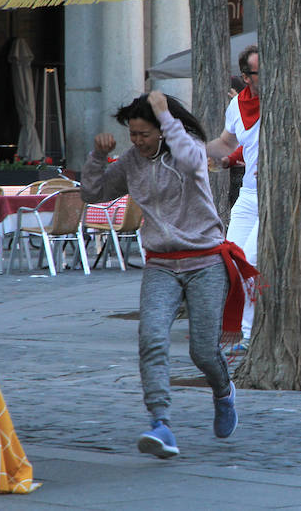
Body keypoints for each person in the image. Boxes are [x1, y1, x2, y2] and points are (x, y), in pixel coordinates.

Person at [81, 91, 253, 459]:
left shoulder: (184, 146)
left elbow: (193, 163)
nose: (138, 141)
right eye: (133, 134)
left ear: (162, 130)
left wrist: (165, 115)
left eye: (145, 134)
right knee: (153, 339)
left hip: (205, 261)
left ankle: (224, 392)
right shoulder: (131, 161)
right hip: (161, 264)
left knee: (203, 351)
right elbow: (93, 193)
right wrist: (97, 156)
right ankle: (161, 422)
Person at [206, 45, 262, 352]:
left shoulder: (284, 98)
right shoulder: (237, 105)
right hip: (249, 194)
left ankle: (248, 331)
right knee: (232, 257)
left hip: (273, 194)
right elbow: (227, 142)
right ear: (245, 77)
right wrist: (195, 150)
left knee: (250, 259)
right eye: (259, 71)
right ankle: (240, 327)